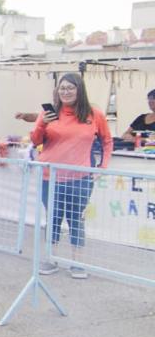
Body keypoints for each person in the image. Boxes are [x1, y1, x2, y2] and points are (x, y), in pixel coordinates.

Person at [31, 72, 113, 279]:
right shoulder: (48, 113)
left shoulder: (94, 114)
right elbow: (35, 140)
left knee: (76, 219)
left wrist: (102, 167)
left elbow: (107, 141)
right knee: (53, 218)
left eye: (70, 88)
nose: (66, 92)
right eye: (62, 88)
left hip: (80, 178)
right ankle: (51, 258)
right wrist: (42, 124)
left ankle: (77, 262)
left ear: (79, 89)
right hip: (50, 177)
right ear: (57, 91)